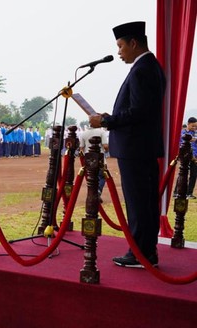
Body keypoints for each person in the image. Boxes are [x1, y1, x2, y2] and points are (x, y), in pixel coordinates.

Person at [89, 21, 166, 268]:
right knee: (142, 201)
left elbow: (139, 112)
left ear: (134, 43)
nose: (120, 52)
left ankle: (141, 253)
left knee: (139, 202)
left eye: (121, 46)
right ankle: (145, 251)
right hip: (140, 147)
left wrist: (107, 121)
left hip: (136, 148)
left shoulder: (143, 69)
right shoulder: (148, 66)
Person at [174, 117, 197, 199]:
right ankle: (176, 192)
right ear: (188, 124)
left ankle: (189, 193)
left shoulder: (195, 133)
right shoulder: (182, 133)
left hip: (195, 157)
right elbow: (180, 144)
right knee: (183, 173)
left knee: (194, 175)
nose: (194, 128)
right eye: (193, 126)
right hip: (185, 156)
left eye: (196, 126)